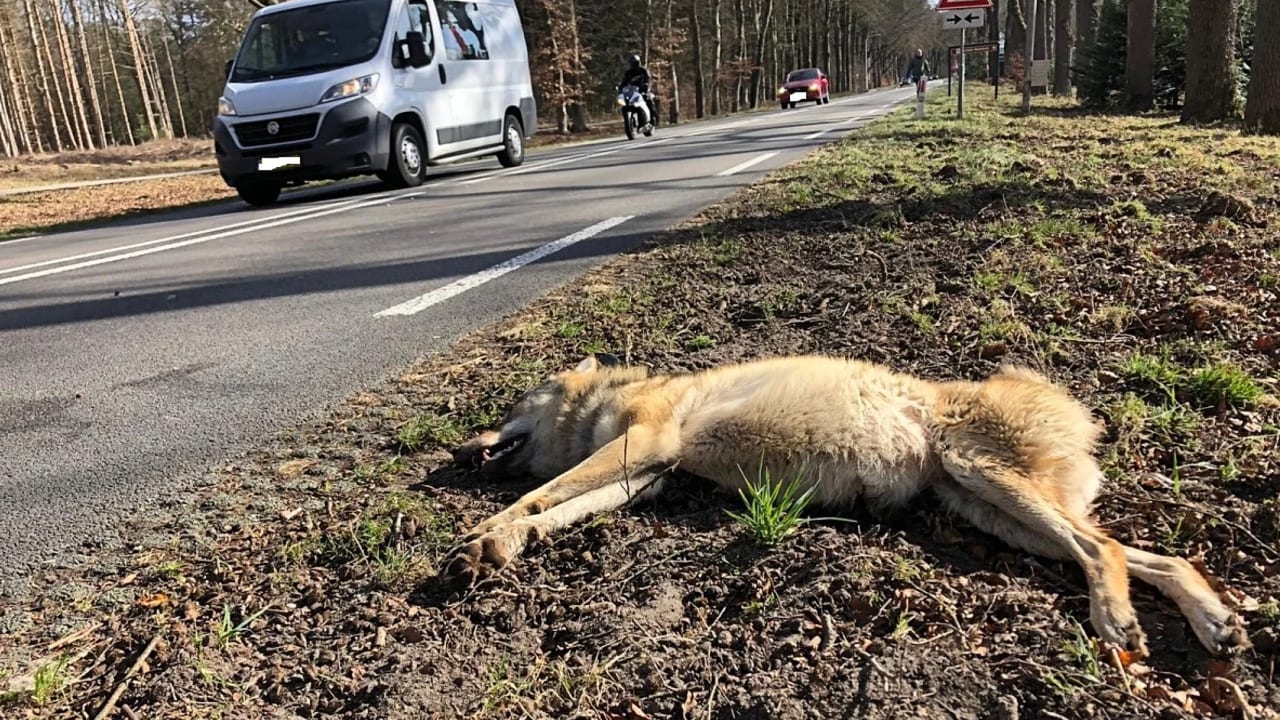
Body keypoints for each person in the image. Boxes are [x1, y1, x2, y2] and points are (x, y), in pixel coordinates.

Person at [618, 53, 657, 126]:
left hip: (643, 90)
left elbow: (648, 80)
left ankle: (652, 119)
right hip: (633, 92)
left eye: (635, 63)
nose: (634, 65)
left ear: (638, 62)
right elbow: (624, 82)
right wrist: (621, 89)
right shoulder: (628, 73)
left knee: (648, 99)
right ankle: (628, 123)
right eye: (632, 63)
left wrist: (646, 87)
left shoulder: (643, 70)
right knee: (624, 105)